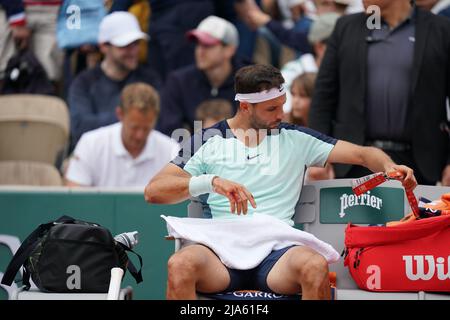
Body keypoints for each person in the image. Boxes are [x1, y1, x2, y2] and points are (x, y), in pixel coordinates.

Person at [144, 64, 417, 300]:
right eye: (272, 108)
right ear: (245, 106)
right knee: (179, 265)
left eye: (282, 105)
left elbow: (363, 154)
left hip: (277, 253)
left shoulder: (297, 138)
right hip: (219, 252)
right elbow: (154, 191)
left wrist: (389, 166)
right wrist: (210, 181)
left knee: (314, 266)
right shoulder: (206, 139)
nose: (281, 114)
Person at [309, 0, 450, 185]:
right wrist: (317, 155)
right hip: (354, 159)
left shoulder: (441, 29)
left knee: (414, 215)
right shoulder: (346, 27)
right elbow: (323, 98)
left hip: (420, 162)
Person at [67, 11, 161, 149]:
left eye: (136, 43)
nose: (133, 51)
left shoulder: (150, 79)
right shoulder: (83, 83)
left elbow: (161, 122)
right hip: (96, 153)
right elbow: (80, 127)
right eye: (125, 45)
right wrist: (131, 120)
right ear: (104, 46)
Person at [65, 83, 178, 188]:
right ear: (120, 114)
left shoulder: (171, 150)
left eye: (146, 128)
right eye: (134, 127)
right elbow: (75, 197)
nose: (139, 135)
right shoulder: (90, 144)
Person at [156, 15, 251, 137]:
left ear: (229, 50)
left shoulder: (250, 84)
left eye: (207, 45)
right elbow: (170, 132)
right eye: (198, 44)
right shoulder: (179, 82)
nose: (200, 51)